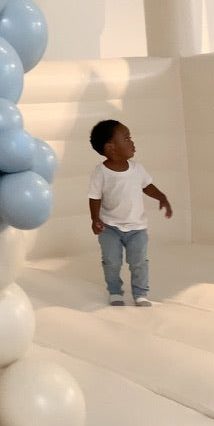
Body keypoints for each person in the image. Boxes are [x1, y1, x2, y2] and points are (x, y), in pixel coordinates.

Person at [88, 119, 172, 307]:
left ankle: (140, 293)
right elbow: (94, 196)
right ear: (111, 148)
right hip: (109, 227)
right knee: (111, 262)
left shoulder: (137, 169)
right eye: (126, 138)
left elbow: (147, 186)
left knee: (139, 261)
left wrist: (161, 197)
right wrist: (95, 219)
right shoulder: (100, 172)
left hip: (137, 228)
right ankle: (115, 291)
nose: (132, 142)